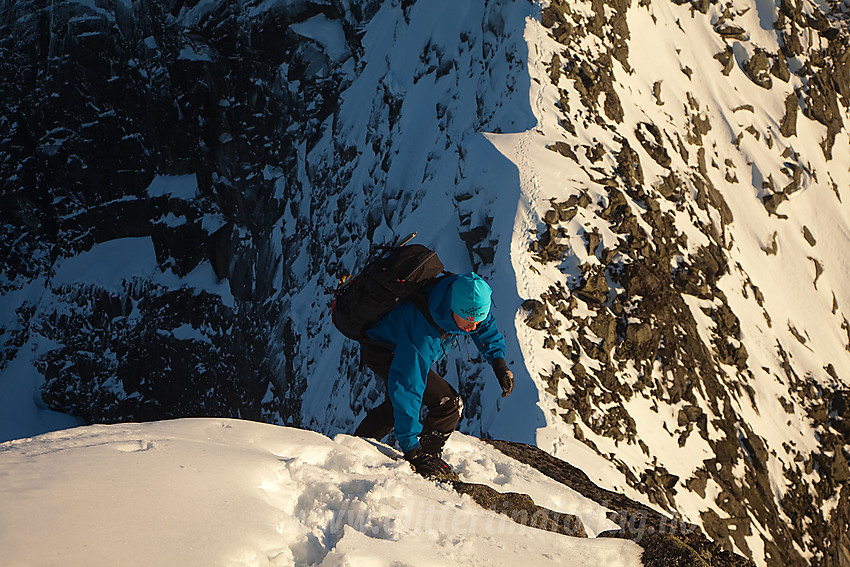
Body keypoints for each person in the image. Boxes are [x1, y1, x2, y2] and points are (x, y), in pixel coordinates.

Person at [354, 272, 514, 480]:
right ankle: (425, 459)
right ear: (453, 308)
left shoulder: (462, 298)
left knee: (399, 406)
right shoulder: (423, 331)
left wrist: (498, 363)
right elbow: (408, 386)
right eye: (468, 320)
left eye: (477, 320)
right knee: (447, 405)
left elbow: (484, 324)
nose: (473, 327)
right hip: (386, 350)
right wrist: (413, 450)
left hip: (398, 343)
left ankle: (355, 446)